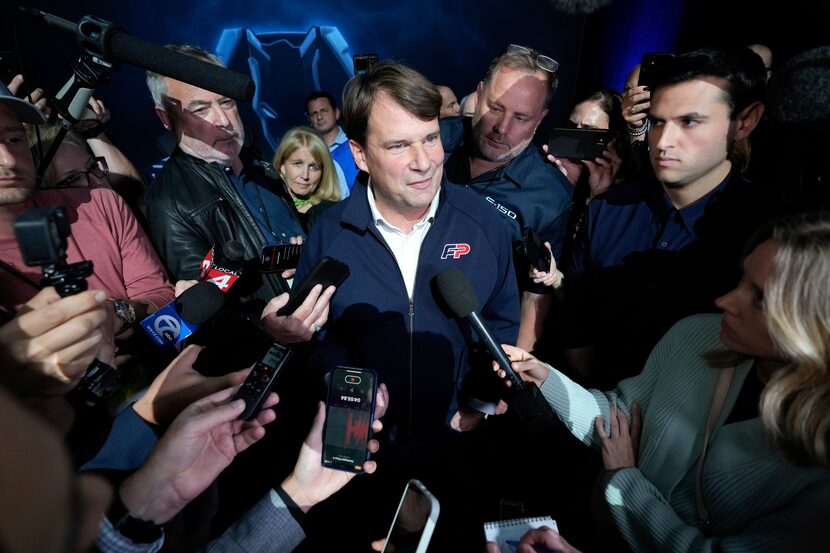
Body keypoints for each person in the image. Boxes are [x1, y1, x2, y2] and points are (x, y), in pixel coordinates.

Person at [497, 213, 830, 552]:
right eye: (741, 279)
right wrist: (545, 375)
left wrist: (627, 480)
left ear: (814, 325)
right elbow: (618, 419)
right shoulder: (697, 334)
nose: (726, 301)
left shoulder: (820, 469)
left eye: (759, 298)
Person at [294, 60, 519, 549]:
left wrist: (478, 403)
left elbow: (501, 325)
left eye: (431, 138)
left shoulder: (484, 225)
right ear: (360, 154)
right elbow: (312, 336)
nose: (424, 161)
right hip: (360, 456)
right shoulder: (328, 233)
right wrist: (340, 381)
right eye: (399, 145)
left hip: (455, 448)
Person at [560, 46, 775, 388]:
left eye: (689, 121)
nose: (663, 141)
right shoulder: (606, 210)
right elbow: (574, 325)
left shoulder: (770, 232)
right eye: (657, 122)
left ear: (744, 122)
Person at [140, 44, 304, 306]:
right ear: (166, 119)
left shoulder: (261, 167)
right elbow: (207, 309)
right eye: (200, 109)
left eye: (226, 101)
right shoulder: (168, 204)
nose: (223, 120)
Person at [441, 43, 573, 351]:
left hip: (478, 346)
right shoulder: (433, 140)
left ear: (540, 119)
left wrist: (515, 372)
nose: (502, 127)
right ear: (479, 92)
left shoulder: (550, 196)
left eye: (521, 117)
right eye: (496, 107)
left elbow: (535, 295)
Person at [272, 126, 341, 230]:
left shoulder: (332, 214)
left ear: (323, 172)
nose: (305, 176)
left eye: (314, 167)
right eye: (298, 164)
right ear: (282, 165)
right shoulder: (267, 206)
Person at [305, 90, 357, 195]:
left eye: (324, 110)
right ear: (309, 120)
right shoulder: (308, 154)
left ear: (337, 113)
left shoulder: (355, 144)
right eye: (314, 113)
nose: (319, 117)